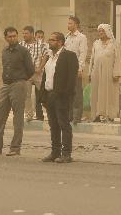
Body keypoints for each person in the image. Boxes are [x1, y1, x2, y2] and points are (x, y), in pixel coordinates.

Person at [0, 27, 35, 157]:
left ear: (17, 37)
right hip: (5, 86)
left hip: (19, 84)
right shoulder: (4, 51)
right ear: (6, 38)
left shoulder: (23, 51)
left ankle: (15, 147)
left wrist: (22, 81)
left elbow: (30, 70)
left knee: (17, 118)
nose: (12, 38)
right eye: (10, 36)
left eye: (14, 36)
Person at [41, 32, 79, 164]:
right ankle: (55, 152)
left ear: (60, 42)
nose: (49, 42)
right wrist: (43, 96)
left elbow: (71, 79)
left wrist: (64, 95)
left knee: (64, 124)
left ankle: (66, 153)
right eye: (49, 39)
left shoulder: (69, 56)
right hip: (50, 95)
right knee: (53, 125)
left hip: (62, 96)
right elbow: (46, 78)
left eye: (52, 40)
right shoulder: (50, 57)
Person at [88, 23, 121, 122]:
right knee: (96, 93)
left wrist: (116, 73)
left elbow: (117, 59)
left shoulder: (114, 44)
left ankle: (110, 115)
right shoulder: (96, 43)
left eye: (103, 31)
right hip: (97, 72)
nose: (101, 33)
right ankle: (96, 115)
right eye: (99, 31)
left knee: (109, 94)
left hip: (109, 73)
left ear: (107, 31)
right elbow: (92, 59)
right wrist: (90, 72)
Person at [21, 25, 48, 122]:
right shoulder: (21, 45)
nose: (24, 35)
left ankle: (51, 113)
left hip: (38, 74)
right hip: (26, 74)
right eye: (23, 33)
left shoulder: (41, 44)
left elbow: (46, 55)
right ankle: (29, 115)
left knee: (45, 92)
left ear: (32, 34)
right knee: (26, 95)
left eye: (26, 33)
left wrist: (40, 68)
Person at [64, 16, 88, 123]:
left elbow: (83, 53)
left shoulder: (81, 37)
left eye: (70, 23)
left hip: (75, 69)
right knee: (68, 93)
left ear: (76, 25)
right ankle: (69, 115)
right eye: (68, 23)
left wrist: (80, 69)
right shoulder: (66, 37)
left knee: (77, 92)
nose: (68, 25)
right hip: (66, 70)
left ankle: (77, 116)